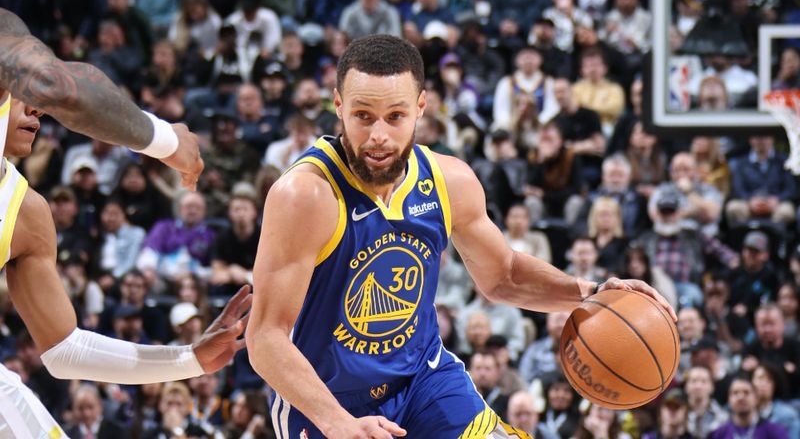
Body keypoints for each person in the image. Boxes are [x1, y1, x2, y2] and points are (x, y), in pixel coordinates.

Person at [247, 33, 675, 438]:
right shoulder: (304, 195)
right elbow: (265, 338)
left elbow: (503, 276)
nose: (378, 135)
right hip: (327, 398)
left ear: (420, 107)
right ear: (338, 106)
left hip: (424, 377)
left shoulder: (448, 180)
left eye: (395, 116)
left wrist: (592, 293)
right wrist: (339, 423)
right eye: (363, 116)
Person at [0, 96, 250, 437]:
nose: (36, 108)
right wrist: (167, 139)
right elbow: (71, 86)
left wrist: (190, 358)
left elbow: (66, 350)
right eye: (18, 94)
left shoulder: (27, 212)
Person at [709, 376, 789, 439]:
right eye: (735, 393)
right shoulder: (719, 434)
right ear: (729, 399)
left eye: (746, 392)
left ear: (756, 398)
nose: (740, 397)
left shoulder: (775, 431)